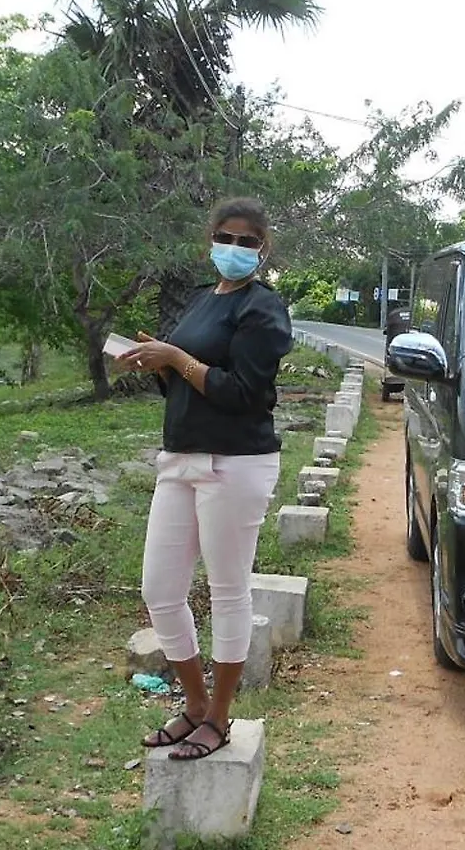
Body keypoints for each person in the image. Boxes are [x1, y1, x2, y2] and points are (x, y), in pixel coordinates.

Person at [113, 198, 294, 761]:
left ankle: (219, 715)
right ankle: (193, 704)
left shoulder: (264, 310)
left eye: (247, 241)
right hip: (181, 458)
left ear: (263, 249)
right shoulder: (198, 302)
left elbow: (244, 392)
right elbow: (186, 383)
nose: (235, 249)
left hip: (235, 463)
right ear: (209, 239)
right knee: (160, 590)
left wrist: (178, 358)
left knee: (227, 588)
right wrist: (161, 362)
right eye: (225, 237)